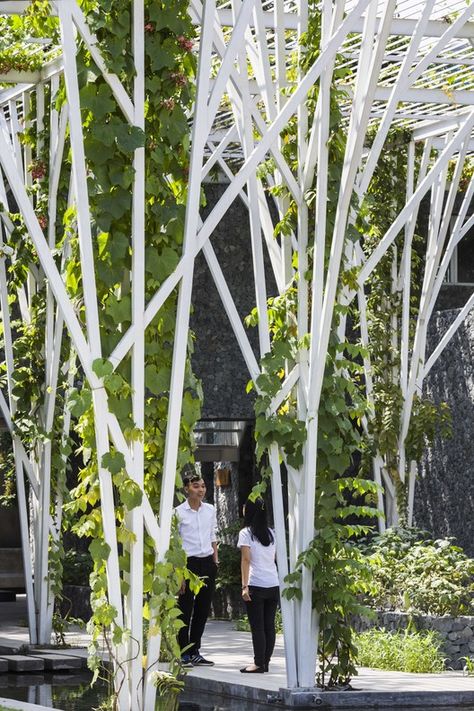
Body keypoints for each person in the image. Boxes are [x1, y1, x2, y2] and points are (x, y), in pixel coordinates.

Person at [175, 471, 218, 667]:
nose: (200, 490)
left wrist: (215, 561)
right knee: (184, 609)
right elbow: (175, 544)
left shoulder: (210, 509)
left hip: (207, 561)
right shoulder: (178, 513)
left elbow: (213, 535)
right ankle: (183, 652)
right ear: (186, 489)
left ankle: (195, 650)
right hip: (188, 564)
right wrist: (179, 574)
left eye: (202, 486)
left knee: (202, 609)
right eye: (196, 486)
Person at [237, 497, 280, 673]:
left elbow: (246, 560)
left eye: (246, 506)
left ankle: (258, 663)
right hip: (273, 583)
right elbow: (275, 558)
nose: (243, 508)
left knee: (258, 627)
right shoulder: (272, 533)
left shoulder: (246, 533)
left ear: (250, 510)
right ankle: (265, 662)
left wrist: (244, 586)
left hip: (255, 584)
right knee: (269, 626)